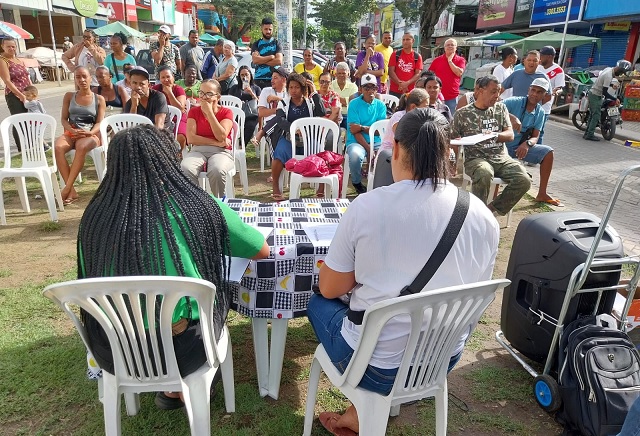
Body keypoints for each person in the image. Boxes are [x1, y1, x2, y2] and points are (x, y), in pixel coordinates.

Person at [308, 107, 499, 435]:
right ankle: (360, 411)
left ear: (395, 149)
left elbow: (329, 288)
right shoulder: (484, 216)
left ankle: (362, 405)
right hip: (440, 360)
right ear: (447, 154)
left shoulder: (369, 206)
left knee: (318, 302)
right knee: (376, 311)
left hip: (377, 368)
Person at [78, 124, 269, 411]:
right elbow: (260, 250)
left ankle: (166, 389)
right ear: (170, 160)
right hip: (180, 351)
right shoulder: (200, 206)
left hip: (111, 349)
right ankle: (179, 388)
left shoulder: (95, 217)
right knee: (214, 298)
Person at [451, 75, 530, 216]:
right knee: (484, 173)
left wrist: (495, 135)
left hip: (500, 157)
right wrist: (454, 164)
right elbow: (453, 141)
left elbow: (510, 135)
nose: (497, 96)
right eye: (493, 91)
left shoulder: (500, 109)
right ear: (480, 91)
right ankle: (476, 214)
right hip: (475, 159)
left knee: (524, 179)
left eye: (499, 92)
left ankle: (489, 210)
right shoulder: (462, 114)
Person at [265, 72, 325, 201]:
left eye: (297, 87)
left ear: (303, 88)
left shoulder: (310, 103)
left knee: (320, 154)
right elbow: (280, 121)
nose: (293, 90)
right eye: (291, 87)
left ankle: (321, 187)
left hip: (309, 139)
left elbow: (322, 112)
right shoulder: (284, 104)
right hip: (289, 138)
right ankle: (276, 186)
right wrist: (294, 129)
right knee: (279, 155)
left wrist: (314, 93)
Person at [503, 78, 560, 206]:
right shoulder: (514, 102)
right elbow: (495, 106)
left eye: (539, 92)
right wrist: (512, 118)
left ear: (544, 95)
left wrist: (527, 144)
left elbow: (535, 136)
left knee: (548, 152)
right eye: (533, 90)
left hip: (518, 148)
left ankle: (542, 193)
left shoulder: (540, 112)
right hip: (501, 146)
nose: (535, 94)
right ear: (528, 90)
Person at [55, 67, 106, 205]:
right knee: (58, 147)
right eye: (78, 77)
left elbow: (100, 122)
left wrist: (90, 132)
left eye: (84, 76)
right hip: (72, 131)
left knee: (81, 147)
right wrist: (71, 130)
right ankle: (71, 190)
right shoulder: (69, 96)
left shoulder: (99, 99)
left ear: (90, 78)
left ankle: (66, 190)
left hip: (90, 134)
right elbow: (64, 120)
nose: (82, 80)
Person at [180, 79, 236, 198]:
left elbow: (221, 136)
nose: (204, 97)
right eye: (201, 93)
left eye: (209, 94)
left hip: (222, 152)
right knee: (186, 167)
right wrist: (217, 143)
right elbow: (191, 139)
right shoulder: (194, 111)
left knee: (217, 169)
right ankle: (197, 202)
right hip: (198, 150)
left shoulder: (226, 112)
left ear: (218, 97)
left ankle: (220, 204)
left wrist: (209, 113)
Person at [374, 88, 429, 189]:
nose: (428, 110)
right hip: (389, 157)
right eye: (425, 107)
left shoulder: (419, 119)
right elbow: (402, 140)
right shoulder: (398, 117)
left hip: (406, 156)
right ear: (413, 107)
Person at [345, 73, 387, 194]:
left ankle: (379, 184)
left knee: (387, 156)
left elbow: (379, 131)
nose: (370, 91)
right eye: (366, 88)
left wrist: (362, 128)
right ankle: (357, 182)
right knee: (355, 156)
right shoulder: (354, 104)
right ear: (360, 89)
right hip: (356, 141)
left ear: (376, 89)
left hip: (377, 141)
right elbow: (354, 131)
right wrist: (369, 148)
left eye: (373, 87)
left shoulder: (380, 105)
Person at [583, 59, 632, 141]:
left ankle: (587, 134)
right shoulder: (609, 76)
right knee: (596, 116)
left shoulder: (608, 69)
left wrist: (612, 85)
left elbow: (602, 81)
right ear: (619, 69)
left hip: (595, 94)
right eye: (621, 73)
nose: (620, 75)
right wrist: (615, 99)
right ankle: (589, 135)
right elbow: (605, 92)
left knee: (592, 115)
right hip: (595, 95)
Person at [0, 38, 32, 151]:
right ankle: (22, 148)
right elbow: (7, 81)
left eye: (13, 46)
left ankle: (31, 145)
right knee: (19, 120)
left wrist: (32, 93)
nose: (11, 49)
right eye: (8, 46)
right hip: (14, 95)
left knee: (30, 119)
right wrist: (20, 95)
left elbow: (27, 77)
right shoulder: (3, 60)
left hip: (28, 94)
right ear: (2, 46)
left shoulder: (18, 59)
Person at [251, 67, 288, 148]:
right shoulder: (266, 91)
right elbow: (261, 113)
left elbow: (291, 108)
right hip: (270, 126)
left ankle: (261, 133)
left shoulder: (289, 92)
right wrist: (278, 110)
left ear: (284, 80)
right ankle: (275, 158)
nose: (272, 81)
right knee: (278, 121)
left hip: (285, 124)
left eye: (275, 78)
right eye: (271, 78)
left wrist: (278, 99)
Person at [535, 46, 565, 145]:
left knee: (539, 132)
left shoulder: (558, 71)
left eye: (542, 56)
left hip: (545, 107)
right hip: (532, 104)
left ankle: (537, 154)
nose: (540, 58)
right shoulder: (537, 67)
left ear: (549, 57)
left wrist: (555, 92)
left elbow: (560, 88)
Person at [152, 66, 187, 149]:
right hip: (160, 117)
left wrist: (169, 93)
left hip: (178, 118)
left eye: (168, 77)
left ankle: (179, 156)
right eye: (163, 77)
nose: (166, 80)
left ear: (173, 77)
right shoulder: (156, 89)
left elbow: (180, 109)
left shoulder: (179, 89)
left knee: (180, 136)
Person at [428, 38, 466, 114]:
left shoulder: (460, 60)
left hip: (451, 96)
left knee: (450, 119)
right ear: (444, 48)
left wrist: (450, 61)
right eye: (448, 45)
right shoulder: (437, 60)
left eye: (452, 45)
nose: (450, 46)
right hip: (437, 96)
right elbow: (429, 75)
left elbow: (459, 73)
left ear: (456, 48)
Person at [228, 65, 261, 147]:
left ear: (250, 75)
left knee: (250, 126)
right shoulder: (234, 88)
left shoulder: (256, 88)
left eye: (246, 74)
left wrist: (251, 93)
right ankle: (231, 145)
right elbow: (229, 103)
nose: (244, 77)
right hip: (237, 115)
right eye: (242, 75)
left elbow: (260, 103)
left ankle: (241, 146)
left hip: (251, 115)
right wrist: (238, 103)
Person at [388, 32, 423, 98]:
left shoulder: (417, 56)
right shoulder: (395, 54)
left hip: (411, 91)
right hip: (395, 90)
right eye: (403, 40)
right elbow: (391, 71)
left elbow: (418, 74)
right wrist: (400, 84)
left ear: (413, 41)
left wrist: (407, 83)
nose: (405, 42)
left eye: (407, 39)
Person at [251, 18, 283, 89]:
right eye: (266, 29)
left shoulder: (277, 43)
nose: (268, 31)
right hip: (259, 80)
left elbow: (279, 61)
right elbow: (255, 60)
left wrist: (261, 60)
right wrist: (271, 57)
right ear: (261, 29)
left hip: (274, 79)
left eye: (270, 29)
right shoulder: (256, 44)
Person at [330, 62, 358, 130]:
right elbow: (329, 101)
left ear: (348, 74)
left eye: (343, 73)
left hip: (348, 115)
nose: (341, 75)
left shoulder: (353, 87)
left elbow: (352, 102)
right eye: (339, 73)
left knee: (351, 128)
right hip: (333, 115)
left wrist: (336, 99)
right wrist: (345, 101)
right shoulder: (330, 85)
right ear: (335, 74)